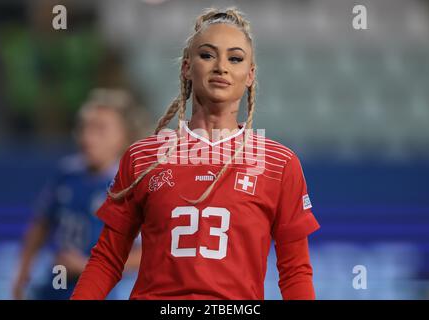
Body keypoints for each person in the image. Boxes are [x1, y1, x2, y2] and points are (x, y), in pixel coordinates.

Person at [71, 7, 320, 300]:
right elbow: (108, 259)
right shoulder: (143, 157)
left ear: (250, 75)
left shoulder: (279, 164)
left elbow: (295, 271)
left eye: (235, 58)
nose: (221, 67)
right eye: (207, 55)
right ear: (187, 67)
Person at [13, 89, 148, 299]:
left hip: (100, 287)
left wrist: (88, 266)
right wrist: (22, 272)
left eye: (100, 129)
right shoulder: (67, 173)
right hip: (58, 278)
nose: (88, 137)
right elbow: (41, 224)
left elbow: (146, 253)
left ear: (124, 136)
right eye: (84, 127)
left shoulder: (130, 186)